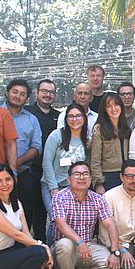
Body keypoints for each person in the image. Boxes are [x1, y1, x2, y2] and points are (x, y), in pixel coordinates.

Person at [51, 161, 122, 269]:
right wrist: (79, 241)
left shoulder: (97, 198)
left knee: (112, 267)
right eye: (77, 174)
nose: (81, 177)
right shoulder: (60, 197)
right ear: (69, 179)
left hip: (87, 246)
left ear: (90, 178)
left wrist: (115, 251)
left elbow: (109, 223)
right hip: (64, 247)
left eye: (85, 174)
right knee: (65, 245)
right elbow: (60, 224)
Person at [2, 79, 43, 241]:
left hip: (23, 172)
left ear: (27, 98)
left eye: (22, 94)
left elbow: (37, 148)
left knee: (25, 211)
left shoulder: (31, 119)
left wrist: (17, 162)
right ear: (7, 92)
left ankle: (25, 243)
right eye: (15, 92)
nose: (17, 96)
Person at [42, 103, 89, 243]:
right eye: (71, 116)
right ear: (66, 118)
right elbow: (46, 162)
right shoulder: (57, 135)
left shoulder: (87, 140)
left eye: (78, 115)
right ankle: (49, 256)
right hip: (53, 185)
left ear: (84, 118)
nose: (75, 119)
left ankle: (68, 254)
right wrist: (53, 188)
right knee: (56, 221)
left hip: (74, 188)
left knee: (70, 222)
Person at [25, 79, 59, 241]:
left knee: (45, 213)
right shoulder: (27, 113)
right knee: (28, 210)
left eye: (51, 92)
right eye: (44, 91)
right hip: (31, 169)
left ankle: (43, 244)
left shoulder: (58, 117)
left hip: (51, 172)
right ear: (36, 93)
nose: (47, 95)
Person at [91, 92, 131, 193]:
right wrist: (99, 183)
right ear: (104, 109)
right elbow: (95, 160)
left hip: (126, 174)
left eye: (116, 104)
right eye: (109, 106)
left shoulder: (126, 128)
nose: (113, 109)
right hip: (108, 176)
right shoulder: (99, 129)